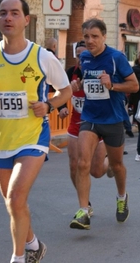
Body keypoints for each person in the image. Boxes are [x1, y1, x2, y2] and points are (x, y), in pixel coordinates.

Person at [0, 0, 72, 262]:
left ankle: (18, 258)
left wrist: (49, 105)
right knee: (12, 203)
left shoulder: (41, 56)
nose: (8, 18)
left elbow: (66, 90)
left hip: (32, 138)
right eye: (3, 13)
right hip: (2, 140)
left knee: (16, 197)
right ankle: (32, 244)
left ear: (26, 20)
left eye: (14, 13)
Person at [69, 18, 139, 230]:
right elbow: (84, 80)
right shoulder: (85, 59)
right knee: (82, 163)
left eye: (94, 36)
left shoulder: (116, 57)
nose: (90, 41)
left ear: (104, 37)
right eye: (86, 37)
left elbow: (134, 85)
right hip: (90, 117)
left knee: (116, 166)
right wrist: (76, 84)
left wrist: (113, 85)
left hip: (113, 119)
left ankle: (121, 196)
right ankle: (83, 211)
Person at [59, 40, 111, 215]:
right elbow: (58, 91)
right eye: (79, 55)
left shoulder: (100, 72)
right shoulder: (70, 73)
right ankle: (85, 204)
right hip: (76, 125)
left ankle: (110, 161)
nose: (82, 58)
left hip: (97, 124)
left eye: (85, 54)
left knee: (96, 171)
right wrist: (61, 107)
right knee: (75, 165)